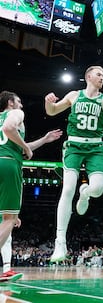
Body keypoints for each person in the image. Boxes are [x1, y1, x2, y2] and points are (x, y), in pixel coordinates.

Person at [44, 66, 103, 262]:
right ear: (88, 76)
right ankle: (60, 242)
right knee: (67, 190)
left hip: (95, 148)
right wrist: (48, 102)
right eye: (99, 74)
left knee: (98, 189)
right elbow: (52, 111)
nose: (102, 77)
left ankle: (85, 193)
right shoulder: (74, 95)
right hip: (74, 145)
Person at [0, 90, 62, 280]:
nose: (21, 105)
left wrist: (44, 140)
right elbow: (9, 130)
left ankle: (5, 271)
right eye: (19, 101)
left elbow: (16, 144)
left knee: (7, 219)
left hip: (5, 157)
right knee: (10, 219)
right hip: (8, 164)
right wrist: (26, 147)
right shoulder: (16, 114)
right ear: (10, 102)